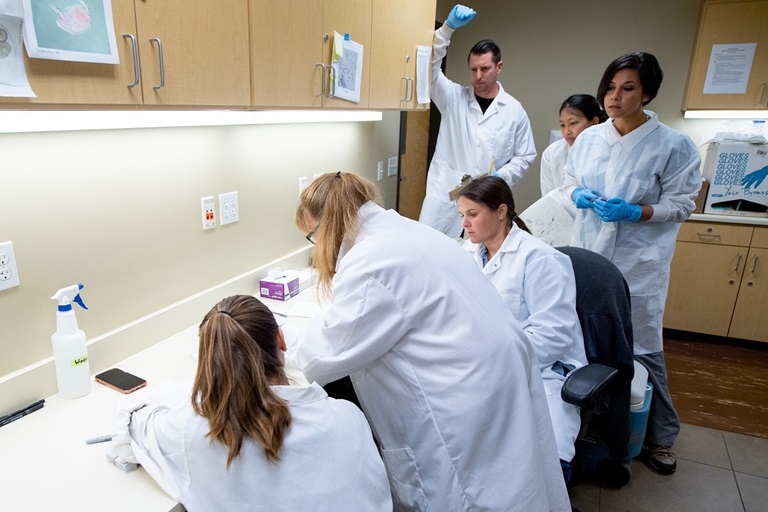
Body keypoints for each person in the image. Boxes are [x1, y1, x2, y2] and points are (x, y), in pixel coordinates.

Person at [291, 171, 570, 511]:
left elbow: (323, 357)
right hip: (489, 378)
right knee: (507, 488)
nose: (316, 246)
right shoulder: (400, 231)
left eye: (313, 236)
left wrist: (286, 337)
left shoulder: (371, 263)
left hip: (462, 402)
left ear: (329, 224)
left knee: (470, 493)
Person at [112, 295, 392, 512]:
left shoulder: (193, 433)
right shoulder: (348, 417)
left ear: (210, 364)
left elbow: (130, 431)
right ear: (281, 340)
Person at [563, 52, 702, 476]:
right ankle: (598, 433)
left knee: (643, 350)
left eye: (628, 89)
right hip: (589, 255)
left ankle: (660, 438)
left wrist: (637, 212)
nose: (614, 97)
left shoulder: (673, 145)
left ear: (647, 93)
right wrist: (577, 196)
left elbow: (683, 203)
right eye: (610, 87)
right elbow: (570, 181)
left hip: (639, 263)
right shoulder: (589, 138)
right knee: (587, 346)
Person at [457, 175, 588, 483]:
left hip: (542, 371)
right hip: (486, 365)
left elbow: (552, 337)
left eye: (472, 214)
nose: (465, 223)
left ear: (501, 212)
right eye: (462, 216)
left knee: (544, 457)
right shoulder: (468, 253)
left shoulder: (541, 260)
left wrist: (494, 359)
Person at [418, 4, 536, 238]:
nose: (478, 76)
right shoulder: (453, 98)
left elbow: (525, 156)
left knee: (478, 258)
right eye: (473, 70)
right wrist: (446, 30)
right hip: (443, 199)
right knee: (430, 249)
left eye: (485, 68)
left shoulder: (514, 111)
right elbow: (428, 68)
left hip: (486, 200)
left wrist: (501, 177)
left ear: (498, 67)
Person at [540, 94, 606, 197]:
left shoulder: (608, 151)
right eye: (562, 125)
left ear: (594, 122)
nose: (567, 131)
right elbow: (549, 199)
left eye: (573, 123)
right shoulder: (552, 154)